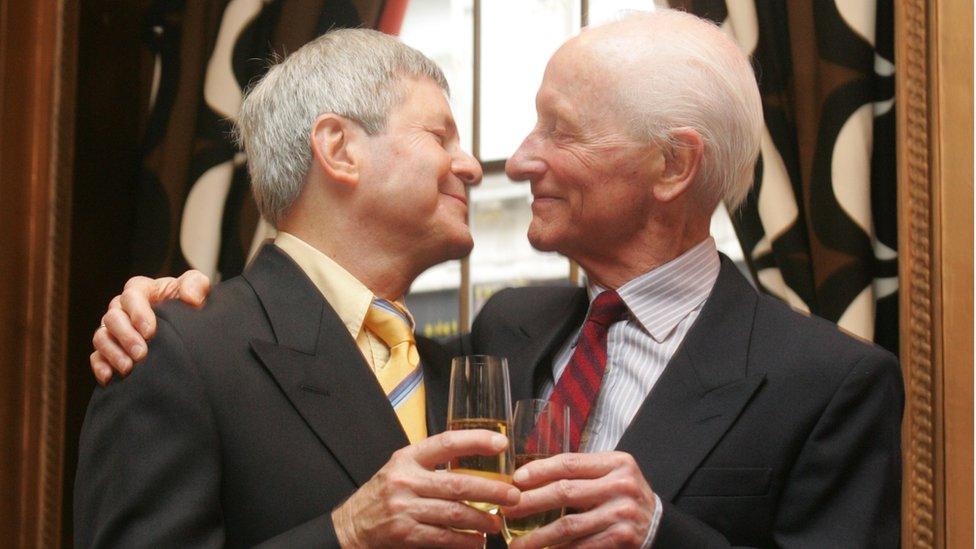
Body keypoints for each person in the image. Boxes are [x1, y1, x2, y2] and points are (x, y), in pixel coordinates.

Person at [89, 10, 903, 548]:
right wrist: (165, 302)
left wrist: (660, 530)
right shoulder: (507, 331)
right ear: (338, 150)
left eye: (561, 131)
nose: (510, 162)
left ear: (671, 164)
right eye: (442, 134)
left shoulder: (831, 383)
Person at [75, 28, 522, 548]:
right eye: (440, 137)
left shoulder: (463, 374)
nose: (469, 167)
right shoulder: (178, 349)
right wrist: (346, 533)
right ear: (339, 149)